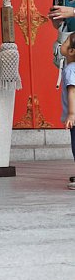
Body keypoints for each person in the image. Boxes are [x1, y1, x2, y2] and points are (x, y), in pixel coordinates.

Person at [40, 0, 75, 190]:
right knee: (73, 116)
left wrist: (72, 13)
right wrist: (55, 19)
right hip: (72, 56)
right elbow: (59, 24)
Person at [57, 33, 75, 191]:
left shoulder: (71, 69)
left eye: (66, 41)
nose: (62, 42)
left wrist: (71, 114)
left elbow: (72, 92)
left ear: (71, 51)